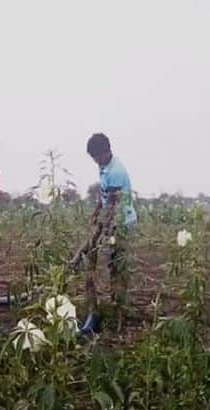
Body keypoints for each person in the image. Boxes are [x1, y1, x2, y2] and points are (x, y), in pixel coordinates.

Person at [71, 133, 137, 331]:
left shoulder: (117, 171)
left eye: (97, 157)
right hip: (110, 218)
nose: (96, 161)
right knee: (97, 256)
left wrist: (104, 232)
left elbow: (115, 206)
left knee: (118, 267)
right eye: (93, 158)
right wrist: (96, 212)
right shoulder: (104, 167)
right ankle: (96, 310)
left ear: (107, 151)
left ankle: (120, 314)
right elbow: (104, 196)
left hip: (122, 223)